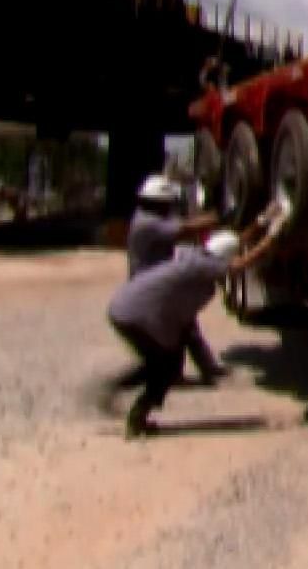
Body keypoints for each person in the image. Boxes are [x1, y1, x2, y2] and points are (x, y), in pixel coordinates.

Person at [103, 213, 286, 438]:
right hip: (137, 317)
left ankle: (124, 394)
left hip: (125, 309)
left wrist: (261, 221)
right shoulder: (203, 266)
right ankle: (135, 416)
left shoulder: (194, 255)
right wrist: (270, 239)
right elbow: (237, 265)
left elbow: (231, 244)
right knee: (165, 369)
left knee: (164, 363)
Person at [127, 174, 226, 383]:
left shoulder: (147, 217)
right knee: (177, 327)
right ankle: (188, 370)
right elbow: (186, 229)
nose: (170, 208)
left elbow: (185, 224)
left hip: (156, 282)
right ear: (158, 203)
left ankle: (202, 368)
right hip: (151, 286)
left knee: (184, 325)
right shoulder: (148, 223)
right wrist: (221, 217)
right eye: (167, 203)